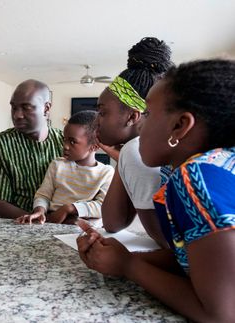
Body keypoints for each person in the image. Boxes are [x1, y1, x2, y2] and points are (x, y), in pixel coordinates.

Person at [77, 59, 235, 322]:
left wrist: (129, 267)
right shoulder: (207, 167)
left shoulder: (195, 178)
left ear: (180, 126)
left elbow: (222, 315)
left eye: (148, 114)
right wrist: (123, 257)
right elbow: (198, 262)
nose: (140, 125)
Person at [96, 37, 173, 247]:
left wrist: (128, 265)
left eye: (102, 112)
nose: (96, 121)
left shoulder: (135, 149)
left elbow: (168, 242)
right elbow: (113, 222)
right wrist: (122, 159)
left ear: (132, 117)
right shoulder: (133, 149)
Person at [0, 79, 64, 218]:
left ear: (46, 108)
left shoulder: (65, 143)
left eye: (26, 107)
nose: (17, 115)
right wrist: (40, 221)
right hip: (11, 228)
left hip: (62, 227)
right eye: (14, 108)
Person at [16, 111, 114, 225]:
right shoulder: (57, 165)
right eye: (65, 139)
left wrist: (69, 208)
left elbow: (103, 206)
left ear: (94, 146)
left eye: (72, 141)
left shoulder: (106, 173)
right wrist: (39, 210)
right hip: (50, 221)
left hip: (81, 226)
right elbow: (43, 195)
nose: (65, 146)